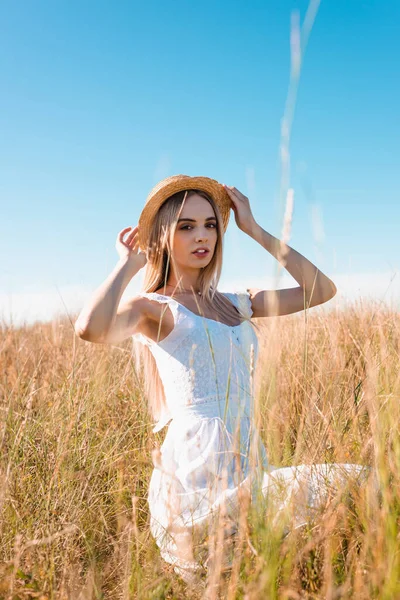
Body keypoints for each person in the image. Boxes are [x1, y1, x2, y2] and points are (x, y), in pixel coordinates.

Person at [74, 174, 369, 585]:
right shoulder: (155, 308)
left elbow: (320, 289)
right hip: (197, 472)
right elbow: (90, 328)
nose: (203, 236)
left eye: (211, 224)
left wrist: (255, 230)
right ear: (161, 236)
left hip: (250, 458)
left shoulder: (236, 303)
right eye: (186, 226)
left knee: (356, 493)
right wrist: (127, 266)